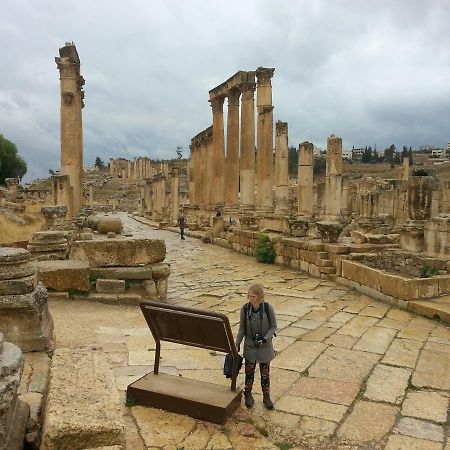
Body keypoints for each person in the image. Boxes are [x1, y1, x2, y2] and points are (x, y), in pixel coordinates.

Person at [235, 284, 277, 409]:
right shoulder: (245, 309)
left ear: (260, 297)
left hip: (265, 345)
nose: (251, 298)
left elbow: (273, 326)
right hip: (250, 345)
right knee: (249, 372)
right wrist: (237, 343)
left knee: (265, 373)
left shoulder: (268, 308)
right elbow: (242, 329)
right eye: (249, 296)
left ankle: (266, 396)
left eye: (253, 296)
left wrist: (265, 338)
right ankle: (248, 393)